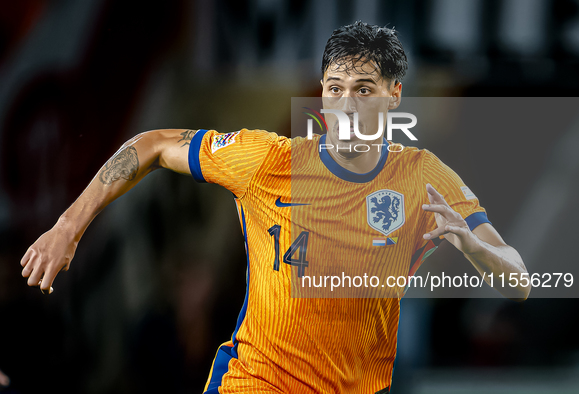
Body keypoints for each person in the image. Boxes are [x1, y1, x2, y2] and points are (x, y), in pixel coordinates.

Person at [21, 22, 530, 393]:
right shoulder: (270, 160)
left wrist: (471, 244)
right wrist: (68, 227)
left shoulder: (424, 177)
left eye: (363, 90)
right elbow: (151, 144)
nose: (347, 105)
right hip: (255, 381)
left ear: (394, 95)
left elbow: (519, 280)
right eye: (335, 90)